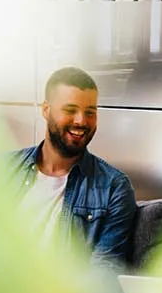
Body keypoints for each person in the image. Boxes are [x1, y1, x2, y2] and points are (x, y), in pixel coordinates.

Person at [8, 67, 136, 273]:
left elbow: (104, 272)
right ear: (46, 110)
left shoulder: (114, 187)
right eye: (70, 110)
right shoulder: (3, 169)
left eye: (90, 112)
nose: (81, 121)